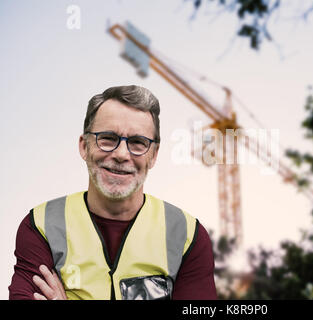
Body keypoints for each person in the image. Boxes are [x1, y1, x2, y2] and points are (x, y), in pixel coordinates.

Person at [9, 85, 217, 300]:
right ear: (84, 146)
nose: (121, 154)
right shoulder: (41, 226)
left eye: (138, 143)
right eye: (107, 138)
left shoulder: (187, 235)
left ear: (154, 155)